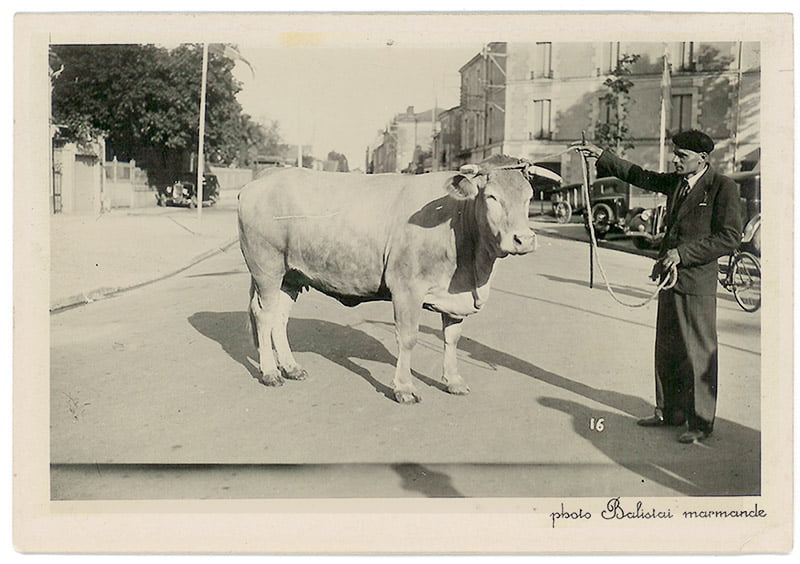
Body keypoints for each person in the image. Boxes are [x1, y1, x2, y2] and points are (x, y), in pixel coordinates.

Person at [573, 130, 742, 443]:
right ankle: (669, 411)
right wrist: (601, 155)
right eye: (675, 154)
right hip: (669, 277)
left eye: (682, 156)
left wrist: (682, 254)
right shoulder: (677, 182)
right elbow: (641, 176)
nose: (675, 160)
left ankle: (700, 421)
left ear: (702, 158)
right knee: (668, 348)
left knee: (698, 353)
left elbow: (729, 237)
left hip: (696, 282)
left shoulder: (723, 187)